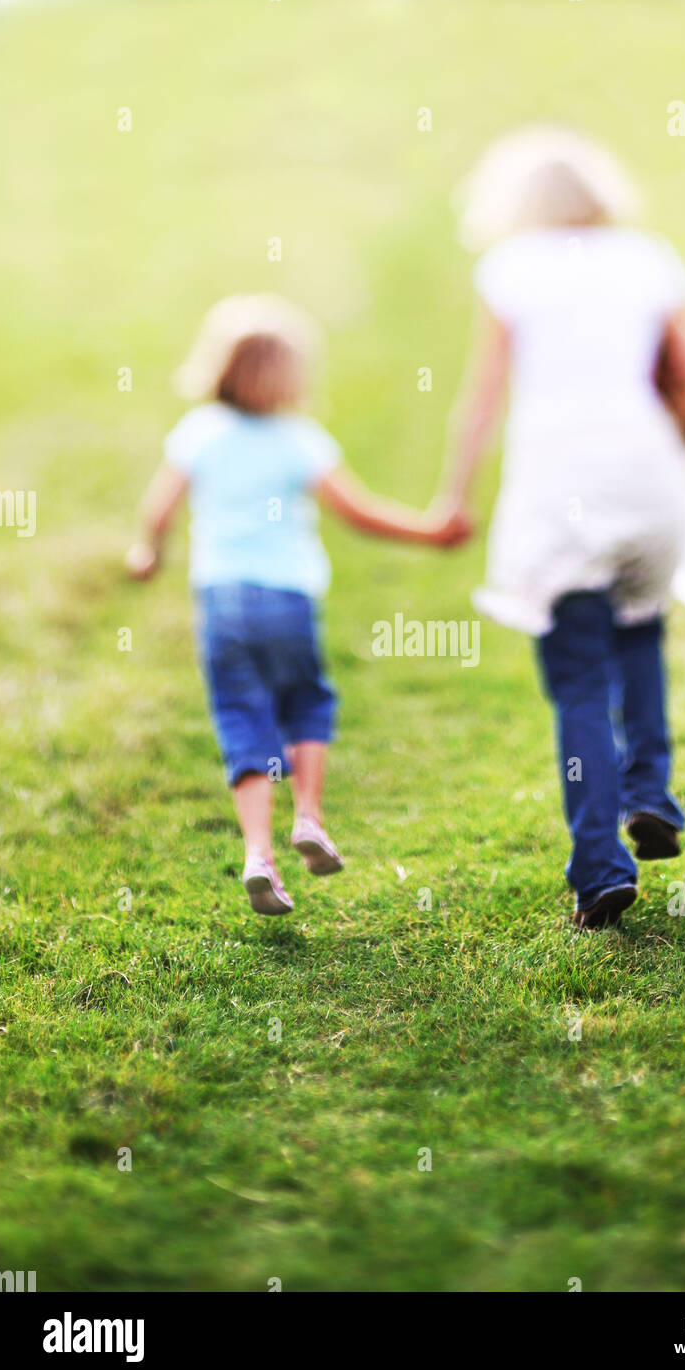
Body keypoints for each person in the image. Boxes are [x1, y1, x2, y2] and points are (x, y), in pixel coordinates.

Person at [438, 126, 685, 928]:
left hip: (557, 496)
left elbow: (482, 397)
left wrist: (453, 499)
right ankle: (651, 793)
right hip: (650, 485)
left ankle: (599, 866)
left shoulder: (509, 270)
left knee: (575, 678)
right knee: (639, 633)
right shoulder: (646, 258)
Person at [125, 294, 469, 916]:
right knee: (306, 699)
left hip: (222, 598)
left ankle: (259, 855)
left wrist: (147, 552)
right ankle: (308, 816)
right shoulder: (300, 439)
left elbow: (159, 507)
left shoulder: (199, 432)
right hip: (287, 597)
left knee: (241, 716)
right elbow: (358, 513)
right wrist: (430, 532)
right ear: (292, 377)